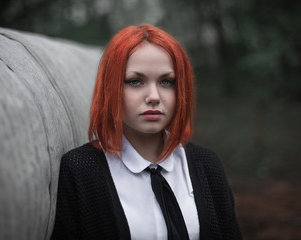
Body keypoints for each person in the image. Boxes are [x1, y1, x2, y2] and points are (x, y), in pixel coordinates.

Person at [51, 24, 242, 240]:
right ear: (111, 88)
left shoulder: (207, 165)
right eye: (135, 81)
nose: (153, 96)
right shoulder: (79, 169)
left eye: (166, 82)